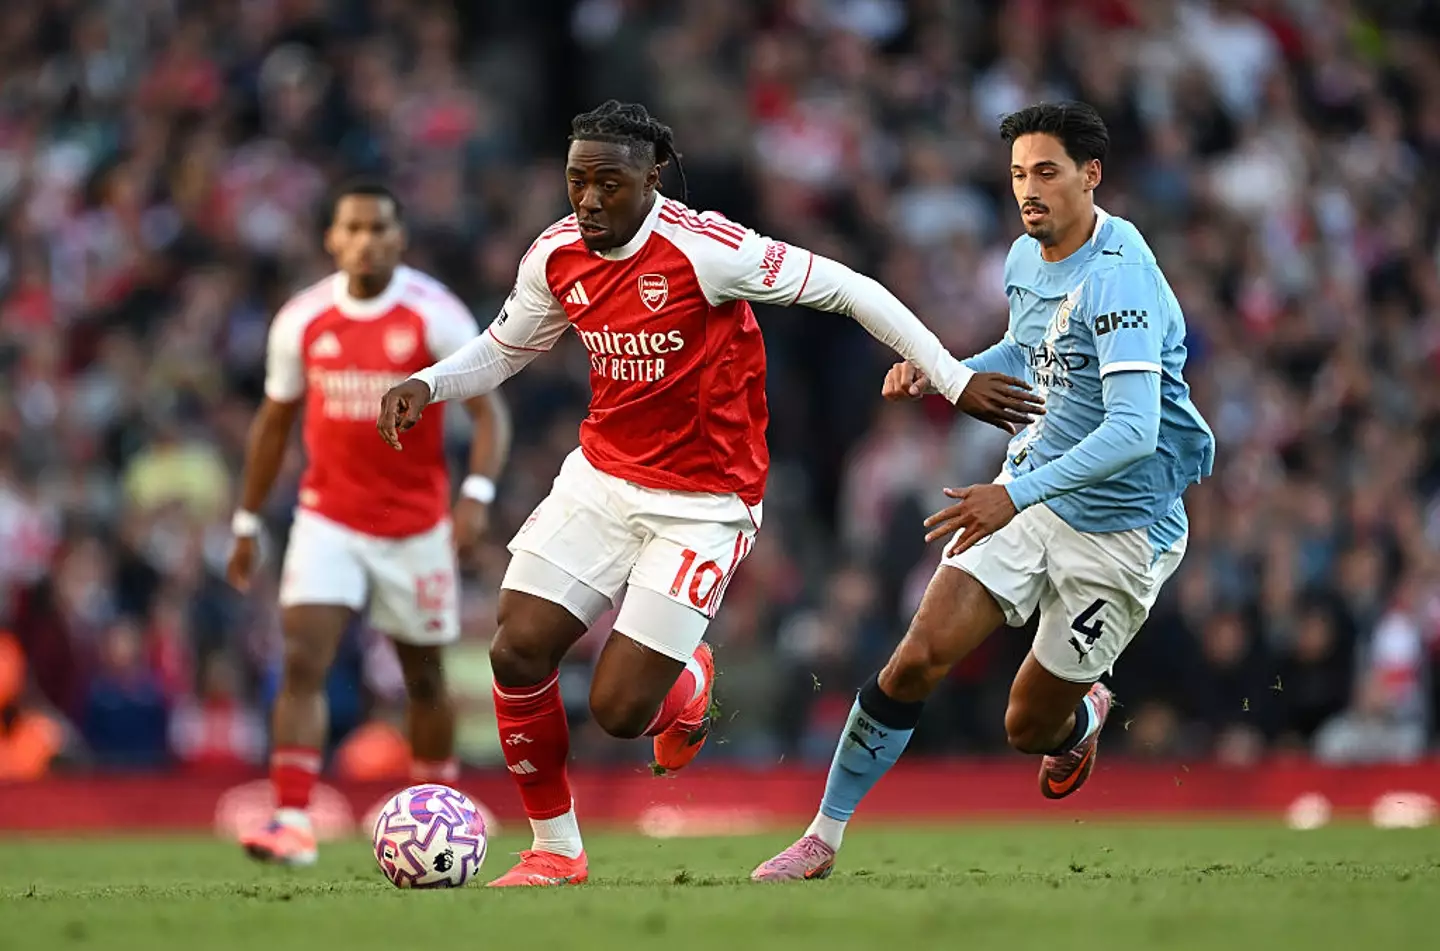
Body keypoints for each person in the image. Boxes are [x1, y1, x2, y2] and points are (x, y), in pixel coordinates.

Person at [376, 99, 1042, 887]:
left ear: (652, 179)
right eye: (576, 182)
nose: (588, 200)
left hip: (705, 501)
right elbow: (507, 345)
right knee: (515, 646)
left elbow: (852, 287)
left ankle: (685, 678)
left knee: (622, 711)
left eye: (608, 184)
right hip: (602, 476)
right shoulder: (555, 253)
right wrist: (430, 382)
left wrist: (953, 378)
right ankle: (555, 847)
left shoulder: (706, 249)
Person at [752, 101, 1216, 882]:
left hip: (1122, 531)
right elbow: (1028, 350)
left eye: (1046, 172)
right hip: (1031, 493)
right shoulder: (1025, 259)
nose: (1028, 191)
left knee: (1028, 725)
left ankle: (1083, 717)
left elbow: (1135, 430)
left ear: (1090, 175)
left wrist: (1018, 493)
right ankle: (822, 837)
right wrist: (943, 373)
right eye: (1017, 175)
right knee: (916, 657)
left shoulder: (1121, 277)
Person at [228, 180, 511, 867]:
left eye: (378, 227)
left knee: (423, 679)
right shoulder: (302, 318)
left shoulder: (433, 315)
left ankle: (440, 810)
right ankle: (292, 819)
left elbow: (490, 413)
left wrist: (474, 495)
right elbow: (273, 424)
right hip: (328, 517)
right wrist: (245, 517)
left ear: (399, 237)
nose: (364, 240)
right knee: (302, 659)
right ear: (332, 238)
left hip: (415, 527)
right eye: (351, 228)